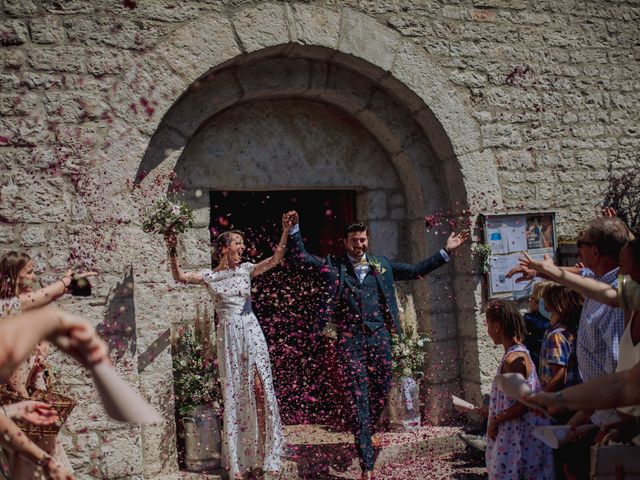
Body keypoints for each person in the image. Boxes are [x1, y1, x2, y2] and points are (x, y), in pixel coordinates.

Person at [284, 211, 468, 479]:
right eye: (354, 241)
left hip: (379, 337)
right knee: (359, 395)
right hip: (349, 341)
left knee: (381, 389)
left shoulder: (382, 265)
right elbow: (302, 259)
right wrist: (294, 229)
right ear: (345, 243)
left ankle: (365, 428)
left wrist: (446, 252)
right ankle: (366, 462)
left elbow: (416, 270)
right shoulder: (334, 266)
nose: (359, 245)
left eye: (362, 240)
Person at [165, 214, 292, 480]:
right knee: (236, 395)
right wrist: (172, 247)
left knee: (260, 389)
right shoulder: (211, 276)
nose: (242, 247)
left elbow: (275, 259)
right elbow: (179, 276)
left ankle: (265, 453)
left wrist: (285, 231)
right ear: (224, 247)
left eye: (243, 243)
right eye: (237, 243)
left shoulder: (246, 269)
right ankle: (243, 459)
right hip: (228, 337)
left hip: (251, 331)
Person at [507, 217, 632, 429]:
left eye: (580, 244)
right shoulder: (598, 277)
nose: (577, 251)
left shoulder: (617, 299)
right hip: (597, 411)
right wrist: (539, 271)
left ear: (595, 252)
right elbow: (579, 274)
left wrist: (615, 425)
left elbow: (618, 374)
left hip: (612, 417)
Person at [0, 251, 95, 478]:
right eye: (29, 272)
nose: (33, 277)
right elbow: (12, 372)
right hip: (19, 400)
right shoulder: (6, 308)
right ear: (14, 276)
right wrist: (66, 283)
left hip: (30, 394)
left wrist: (38, 360)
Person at [0, 306, 108, 480]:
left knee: (45, 453)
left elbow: (34, 386)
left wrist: (36, 369)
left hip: (27, 418)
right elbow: (17, 383)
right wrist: (27, 402)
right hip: (22, 420)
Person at [480, 300, 554, 480]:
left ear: (497, 326)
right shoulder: (519, 352)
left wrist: (495, 420)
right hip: (521, 434)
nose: (487, 331)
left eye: (488, 325)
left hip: (518, 437)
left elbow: (524, 404)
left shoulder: (513, 360)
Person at [538, 285, 583, 480]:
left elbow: (558, 375)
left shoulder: (557, 335)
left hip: (560, 407)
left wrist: (541, 399)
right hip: (569, 403)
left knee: (561, 460)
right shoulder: (565, 330)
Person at [523, 281, 552, 371]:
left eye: (531, 298)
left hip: (533, 364)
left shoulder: (529, 319)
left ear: (538, 303)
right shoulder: (556, 321)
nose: (528, 301)